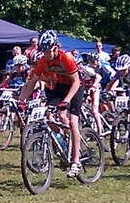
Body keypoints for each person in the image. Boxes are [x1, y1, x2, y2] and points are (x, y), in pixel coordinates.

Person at [19, 30, 84, 178]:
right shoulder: (43, 61)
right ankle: (63, 141)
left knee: (73, 121)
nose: (46, 54)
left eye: (49, 51)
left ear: (55, 47)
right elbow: (32, 82)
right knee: (49, 115)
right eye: (44, 51)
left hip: (76, 86)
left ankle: (76, 160)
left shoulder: (65, 57)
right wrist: (21, 100)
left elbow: (76, 81)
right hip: (61, 85)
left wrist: (66, 101)